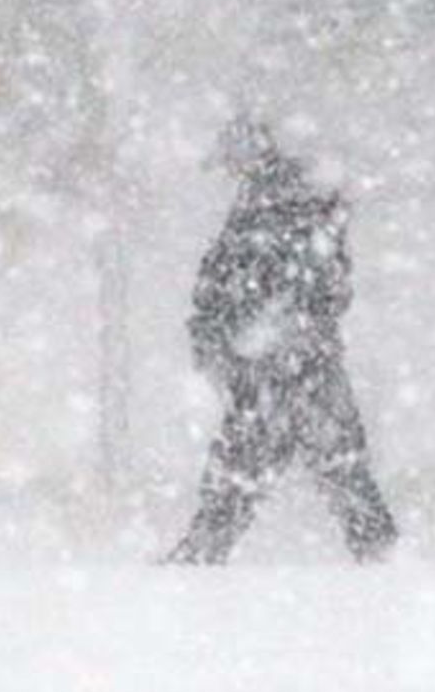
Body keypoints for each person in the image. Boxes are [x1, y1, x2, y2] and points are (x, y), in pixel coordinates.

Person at [165, 117, 399, 564]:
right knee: (332, 459)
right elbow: (324, 286)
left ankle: (202, 553)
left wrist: (226, 331)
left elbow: (239, 281)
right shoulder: (288, 206)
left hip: (276, 355)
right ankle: (380, 553)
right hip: (295, 354)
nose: (228, 173)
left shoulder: (271, 207)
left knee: (250, 458)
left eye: (231, 163)